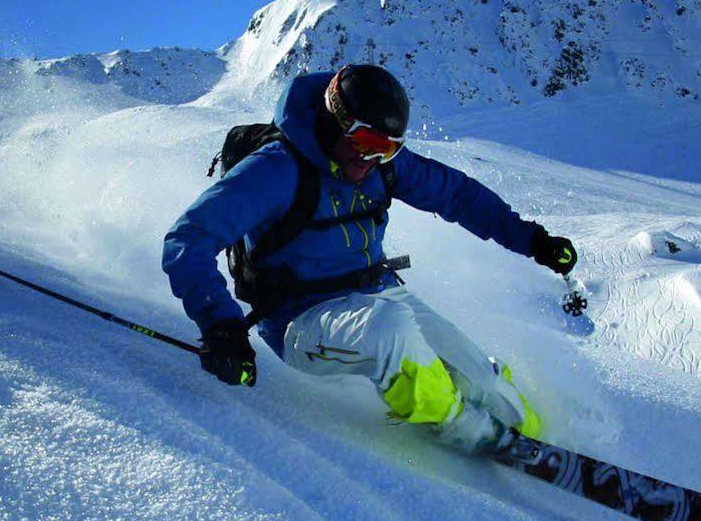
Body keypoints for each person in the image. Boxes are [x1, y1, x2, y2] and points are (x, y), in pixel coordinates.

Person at [162, 64, 577, 454]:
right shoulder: (276, 170)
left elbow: (458, 196)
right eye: (367, 144)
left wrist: (532, 240)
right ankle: (461, 427)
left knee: (481, 377)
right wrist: (220, 325)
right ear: (335, 121)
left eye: (389, 149)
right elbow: (189, 238)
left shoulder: (382, 166)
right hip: (300, 321)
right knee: (391, 332)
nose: (374, 159)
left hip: (377, 294)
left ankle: (534, 439)